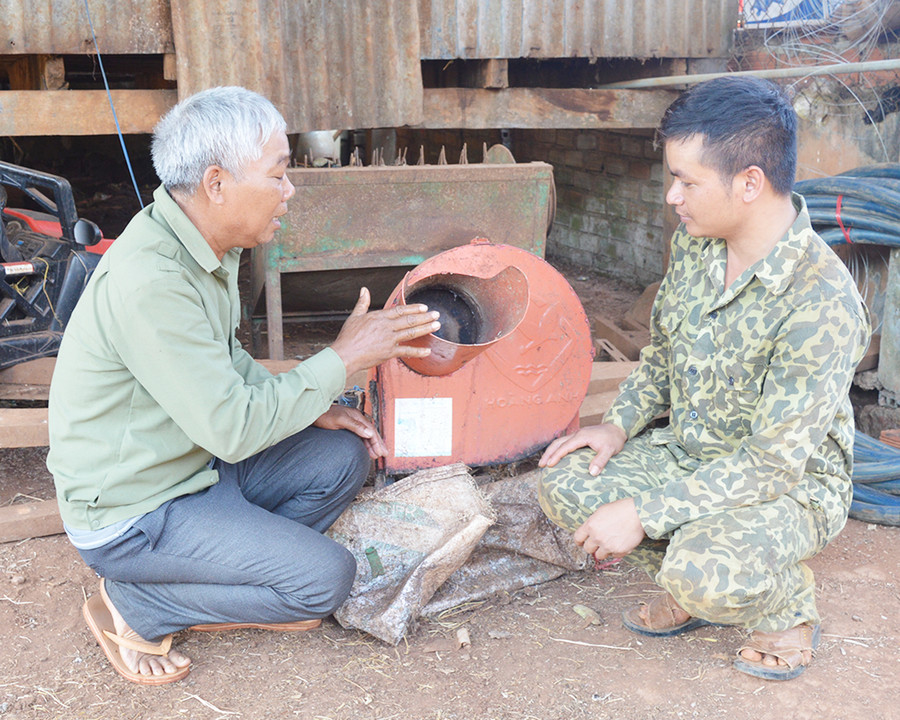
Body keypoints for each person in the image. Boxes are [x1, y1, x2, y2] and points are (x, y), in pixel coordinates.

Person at [47, 86, 441, 685]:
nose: (289, 190)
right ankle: (141, 601)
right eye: (279, 175)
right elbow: (231, 429)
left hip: (192, 467)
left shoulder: (204, 244)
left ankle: (228, 560)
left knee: (340, 456)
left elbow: (226, 360)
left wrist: (314, 407)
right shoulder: (152, 280)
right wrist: (340, 359)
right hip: (136, 512)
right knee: (324, 581)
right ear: (216, 183)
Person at [537, 76, 871, 681]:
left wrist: (645, 511)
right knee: (566, 486)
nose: (672, 196)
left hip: (788, 486)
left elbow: (772, 463)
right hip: (692, 452)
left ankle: (783, 607)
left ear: (749, 182)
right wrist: (618, 424)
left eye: (687, 181)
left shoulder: (821, 301)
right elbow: (663, 354)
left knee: (702, 571)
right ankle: (690, 576)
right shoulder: (697, 247)